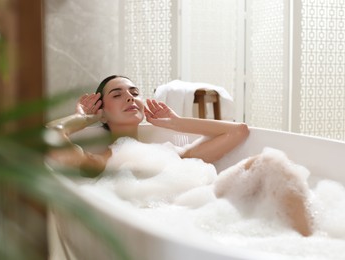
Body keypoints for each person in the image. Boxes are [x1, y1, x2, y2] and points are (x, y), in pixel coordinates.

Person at [46, 75, 313, 236]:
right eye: (118, 94)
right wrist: (83, 118)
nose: (130, 97)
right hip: (170, 224)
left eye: (134, 92)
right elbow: (51, 137)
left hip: (205, 213)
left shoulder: (173, 153)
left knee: (271, 162)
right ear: (102, 112)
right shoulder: (105, 161)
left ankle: (308, 245)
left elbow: (239, 132)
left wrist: (174, 122)